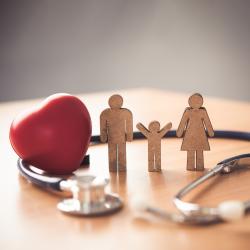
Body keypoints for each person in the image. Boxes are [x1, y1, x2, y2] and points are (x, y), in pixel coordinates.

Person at [176, 93, 214, 171]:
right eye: (194, 101)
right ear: (190, 102)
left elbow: (207, 122)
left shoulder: (202, 112)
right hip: (190, 134)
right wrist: (179, 132)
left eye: (198, 101)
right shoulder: (188, 112)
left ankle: (200, 167)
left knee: (200, 150)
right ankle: (190, 166)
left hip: (200, 135)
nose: (196, 102)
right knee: (190, 150)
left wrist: (210, 132)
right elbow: (183, 122)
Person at [100, 94, 133, 172]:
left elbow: (129, 125)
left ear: (121, 102)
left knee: (121, 153)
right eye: (113, 101)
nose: (115, 103)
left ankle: (121, 166)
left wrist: (129, 136)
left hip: (121, 137)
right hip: (111, 138)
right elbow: (103, 127)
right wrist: (103, 137)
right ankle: (113, 166)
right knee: (112, 153)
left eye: (117, 101)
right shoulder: (105, 113)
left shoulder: (126, 113)